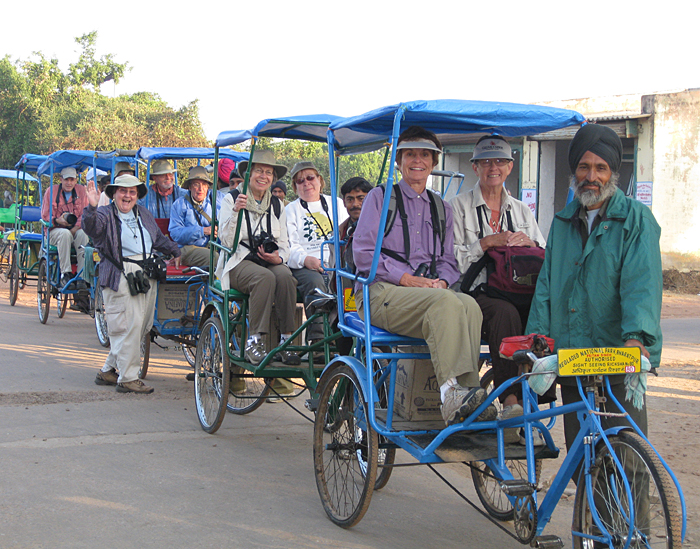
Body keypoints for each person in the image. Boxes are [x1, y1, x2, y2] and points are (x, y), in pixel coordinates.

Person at [526, 123, 662, 453]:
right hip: (574, 356)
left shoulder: (636, 219)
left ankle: (629, 509)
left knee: (628, 457)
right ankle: (593, 508)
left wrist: (636, 338)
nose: (592, 176)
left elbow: (641, 283)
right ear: (574, 171)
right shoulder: (562, 222)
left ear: (613, 172)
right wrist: (538, 340)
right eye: (584, 167)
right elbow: (546, 286)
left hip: (617, 354)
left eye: (601, 168)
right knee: (582, 455)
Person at [352, 126, 496, 426]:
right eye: (410, 154)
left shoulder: (441, 208)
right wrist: (407, 279)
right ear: (400, 160)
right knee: (445, 303)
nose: (417, 160)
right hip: (379, 291)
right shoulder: (380, 198)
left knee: (468, 304)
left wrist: (442, 281)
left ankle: (467, 394)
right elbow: (363, 254)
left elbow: (447, 261)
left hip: (427, 294)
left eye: (424, 155)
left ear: (433, 162)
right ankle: (449, 394)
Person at [450, 135, 547, 443]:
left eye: (500, 162)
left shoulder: (521, 210)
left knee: (544, 314)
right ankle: (511, 403)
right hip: (475, 292)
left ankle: (540, 393)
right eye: (486, 162)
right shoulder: (458, 207)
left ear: (510, 167)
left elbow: (543, 251)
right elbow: (450, 260)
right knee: (504, 314)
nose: (494, 168)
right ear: (475, 167)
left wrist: (527, 242)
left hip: (519, 289)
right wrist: (485, 243)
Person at [83, 174, 181, 394]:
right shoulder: (104, 215)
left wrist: (175, 251)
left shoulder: (143, 214)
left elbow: (157, 239)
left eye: (132, 192)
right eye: (123, 191)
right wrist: (90, 207)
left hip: (145, 274)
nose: (127, 196)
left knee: (141, 325)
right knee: (127, 325)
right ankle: (128, 378)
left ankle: (108, 370)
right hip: (120, 275)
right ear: (114, 193)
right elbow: (91, 228)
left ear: (137, 196)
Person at [216, 149, 299, 367]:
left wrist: (278, 258)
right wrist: (236, 212)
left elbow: (284, 244)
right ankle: (255, 341)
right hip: (237, 262)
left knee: (285, 276)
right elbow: (225, 241)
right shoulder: (231, 199)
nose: (264, 176)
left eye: (269, 173)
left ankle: (286, 340)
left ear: (273, 178)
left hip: (266, 262)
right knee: (264, 278)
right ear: (249, 175)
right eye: (259, 171)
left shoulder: (277, 204)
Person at [286, 161, 348, 346]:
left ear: (320, 180)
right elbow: (290, 245)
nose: (306, 183)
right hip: (306, 264)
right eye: (300, 181)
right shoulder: (291, 209)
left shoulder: (336, 204)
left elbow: (347, 234)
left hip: (335, 261)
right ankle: (318, 340)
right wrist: (306, 260)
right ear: (295, 187)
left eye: (310, 178)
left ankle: (346, 337)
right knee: (316, 283)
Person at [334, 176, 373, 356]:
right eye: (350, 199)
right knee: (339, 328)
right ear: (344, 202)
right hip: (347, 294)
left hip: (374, 292)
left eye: (361, 199)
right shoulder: (341, 230)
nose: (355, 204)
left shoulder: (379, 226)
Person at [40, 167, 90, 289]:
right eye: (66, 179)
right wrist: (57, 220)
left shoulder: (81, 191)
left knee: (84, 234)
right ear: (61, 179)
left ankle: (82, 276)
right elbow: (45, 216)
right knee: (64, 234)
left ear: (75, 180)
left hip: (76, 229)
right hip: (54, 230)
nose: (69, 183)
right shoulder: (51, 191)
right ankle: (65, 273)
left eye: (72, 180)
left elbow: (85, 214)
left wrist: (75, 227)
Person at [169, 166, 220, 268]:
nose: (200, 189)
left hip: (214, 247)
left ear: (208, 187)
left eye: (204, 184)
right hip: (188, 249)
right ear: (190, 187)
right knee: (214, 258)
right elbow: (175, 234)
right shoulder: (179, 204)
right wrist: (202, 231)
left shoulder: (217, 199)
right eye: (196, 184)